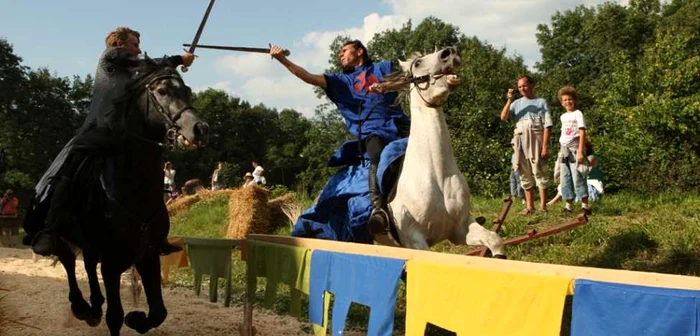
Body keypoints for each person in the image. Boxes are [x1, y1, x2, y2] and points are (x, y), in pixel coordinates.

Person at [26, 26, 193, 256]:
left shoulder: (131, 71)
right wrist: (177, 58)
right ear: (119, 44)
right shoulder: (111, 56)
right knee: (71, 173)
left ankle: (155, 233)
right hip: (98, 129)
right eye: (134, 44)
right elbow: (148, 64)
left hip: (124, 134)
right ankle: (51, 230)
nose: (138, 49)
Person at [270, 40, 410, 241]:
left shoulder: (383, 67)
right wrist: (283, 60)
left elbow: (407, 80)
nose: (340, 55)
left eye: (344, 50)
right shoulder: (342, 81)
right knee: (378, 153)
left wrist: (385, 86)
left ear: (359, 51)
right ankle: (378, 208)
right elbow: (308, 76)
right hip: (374, 134)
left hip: (400, 127)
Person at [500, 75, 552, 215]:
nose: (522, 88)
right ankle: (530, 207)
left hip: (536, 138)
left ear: (532, 85)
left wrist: (545, 146)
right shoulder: (516, 103)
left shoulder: (541, 102)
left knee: (539, 171)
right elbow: (503, 117)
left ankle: (543, 207)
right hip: (519, 140)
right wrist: (509, 99)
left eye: (524, 85)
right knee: (524, 173)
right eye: (520, 87)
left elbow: (547, 125)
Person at [555, 86, 591, 216]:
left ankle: (585, 206)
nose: (567, 102)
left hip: (575, 150)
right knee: (565, 178)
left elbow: (582, 132)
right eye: (565, 100)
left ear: (574, 100)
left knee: (578, 178)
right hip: (564, 150)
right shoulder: (563, 116)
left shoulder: (578, 113)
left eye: (569, 99)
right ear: (562, 102)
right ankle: (568, 206)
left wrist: (581, 151)